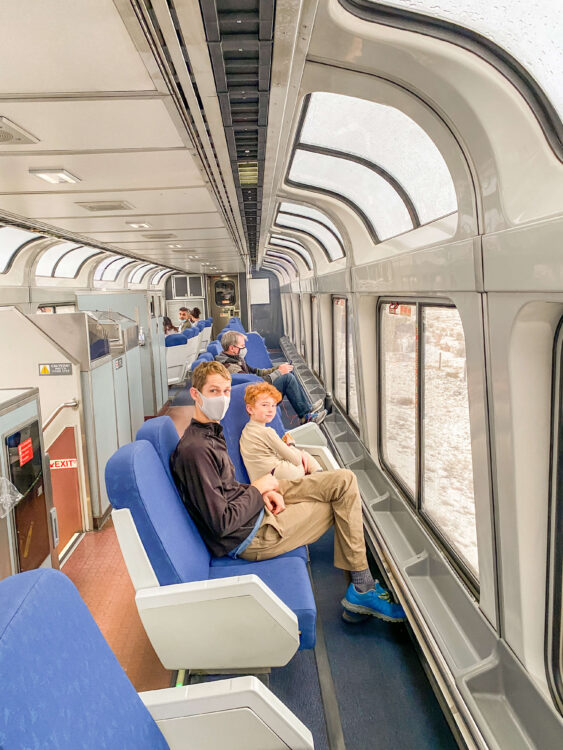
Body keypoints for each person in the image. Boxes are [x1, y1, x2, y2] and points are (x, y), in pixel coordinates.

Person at [170, 361, 406, 622]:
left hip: (253, 510)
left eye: (226, 391)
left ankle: (361, 590)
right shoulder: (196, 451)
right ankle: (363, 588)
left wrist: (258, 493)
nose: (223, 399)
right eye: (214, 391)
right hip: (252, 537)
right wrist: (258, 490)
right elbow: (222, 523)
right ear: (195, 394)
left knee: (344, 481)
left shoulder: (211, 434)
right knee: (342, 502)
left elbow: (223, 490)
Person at [215, 331, 327, 425]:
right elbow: (254, 384)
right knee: (287, 378)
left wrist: (277, 369)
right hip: (255, 398)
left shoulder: (237, 359)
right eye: (242, 346)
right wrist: (279, 372)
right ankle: (306, 417)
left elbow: (256, 372)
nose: (244, 349)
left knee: (286, 374)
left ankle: (306, 408)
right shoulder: (231, 367)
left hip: (257, 391)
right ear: (232, 348)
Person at [240, 382, 323, 480]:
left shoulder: (246, 430)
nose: (271, 410)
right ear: (250, 409)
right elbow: (296, 460)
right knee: (304, 455)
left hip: (262, 480)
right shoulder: (267, 432)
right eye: (265, 405)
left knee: (301, 456)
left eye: (273, 405)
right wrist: (291, 445)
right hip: (280, 475)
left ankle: (317, 477)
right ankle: (319, 478)